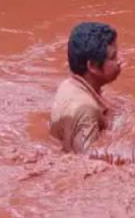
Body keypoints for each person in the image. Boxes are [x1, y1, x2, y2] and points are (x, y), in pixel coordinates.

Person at [50, 22, 121, 153]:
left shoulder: (69, 84)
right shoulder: (86, 111)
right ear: (92, 66)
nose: (119, 62)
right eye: (113, 57)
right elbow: (87, 162)